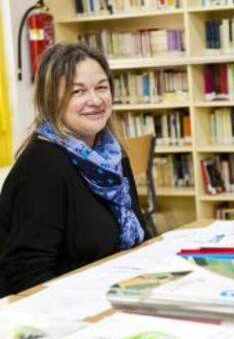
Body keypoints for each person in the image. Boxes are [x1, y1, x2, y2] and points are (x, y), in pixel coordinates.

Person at [0, 43, 149, 297]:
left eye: (101, 87)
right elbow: (28, 275)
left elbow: (141, 237)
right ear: (51, 100)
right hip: (63, 314)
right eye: (77, 91)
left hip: (116, 292)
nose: (95, 100)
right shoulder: (43, 167)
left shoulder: (113, 157)